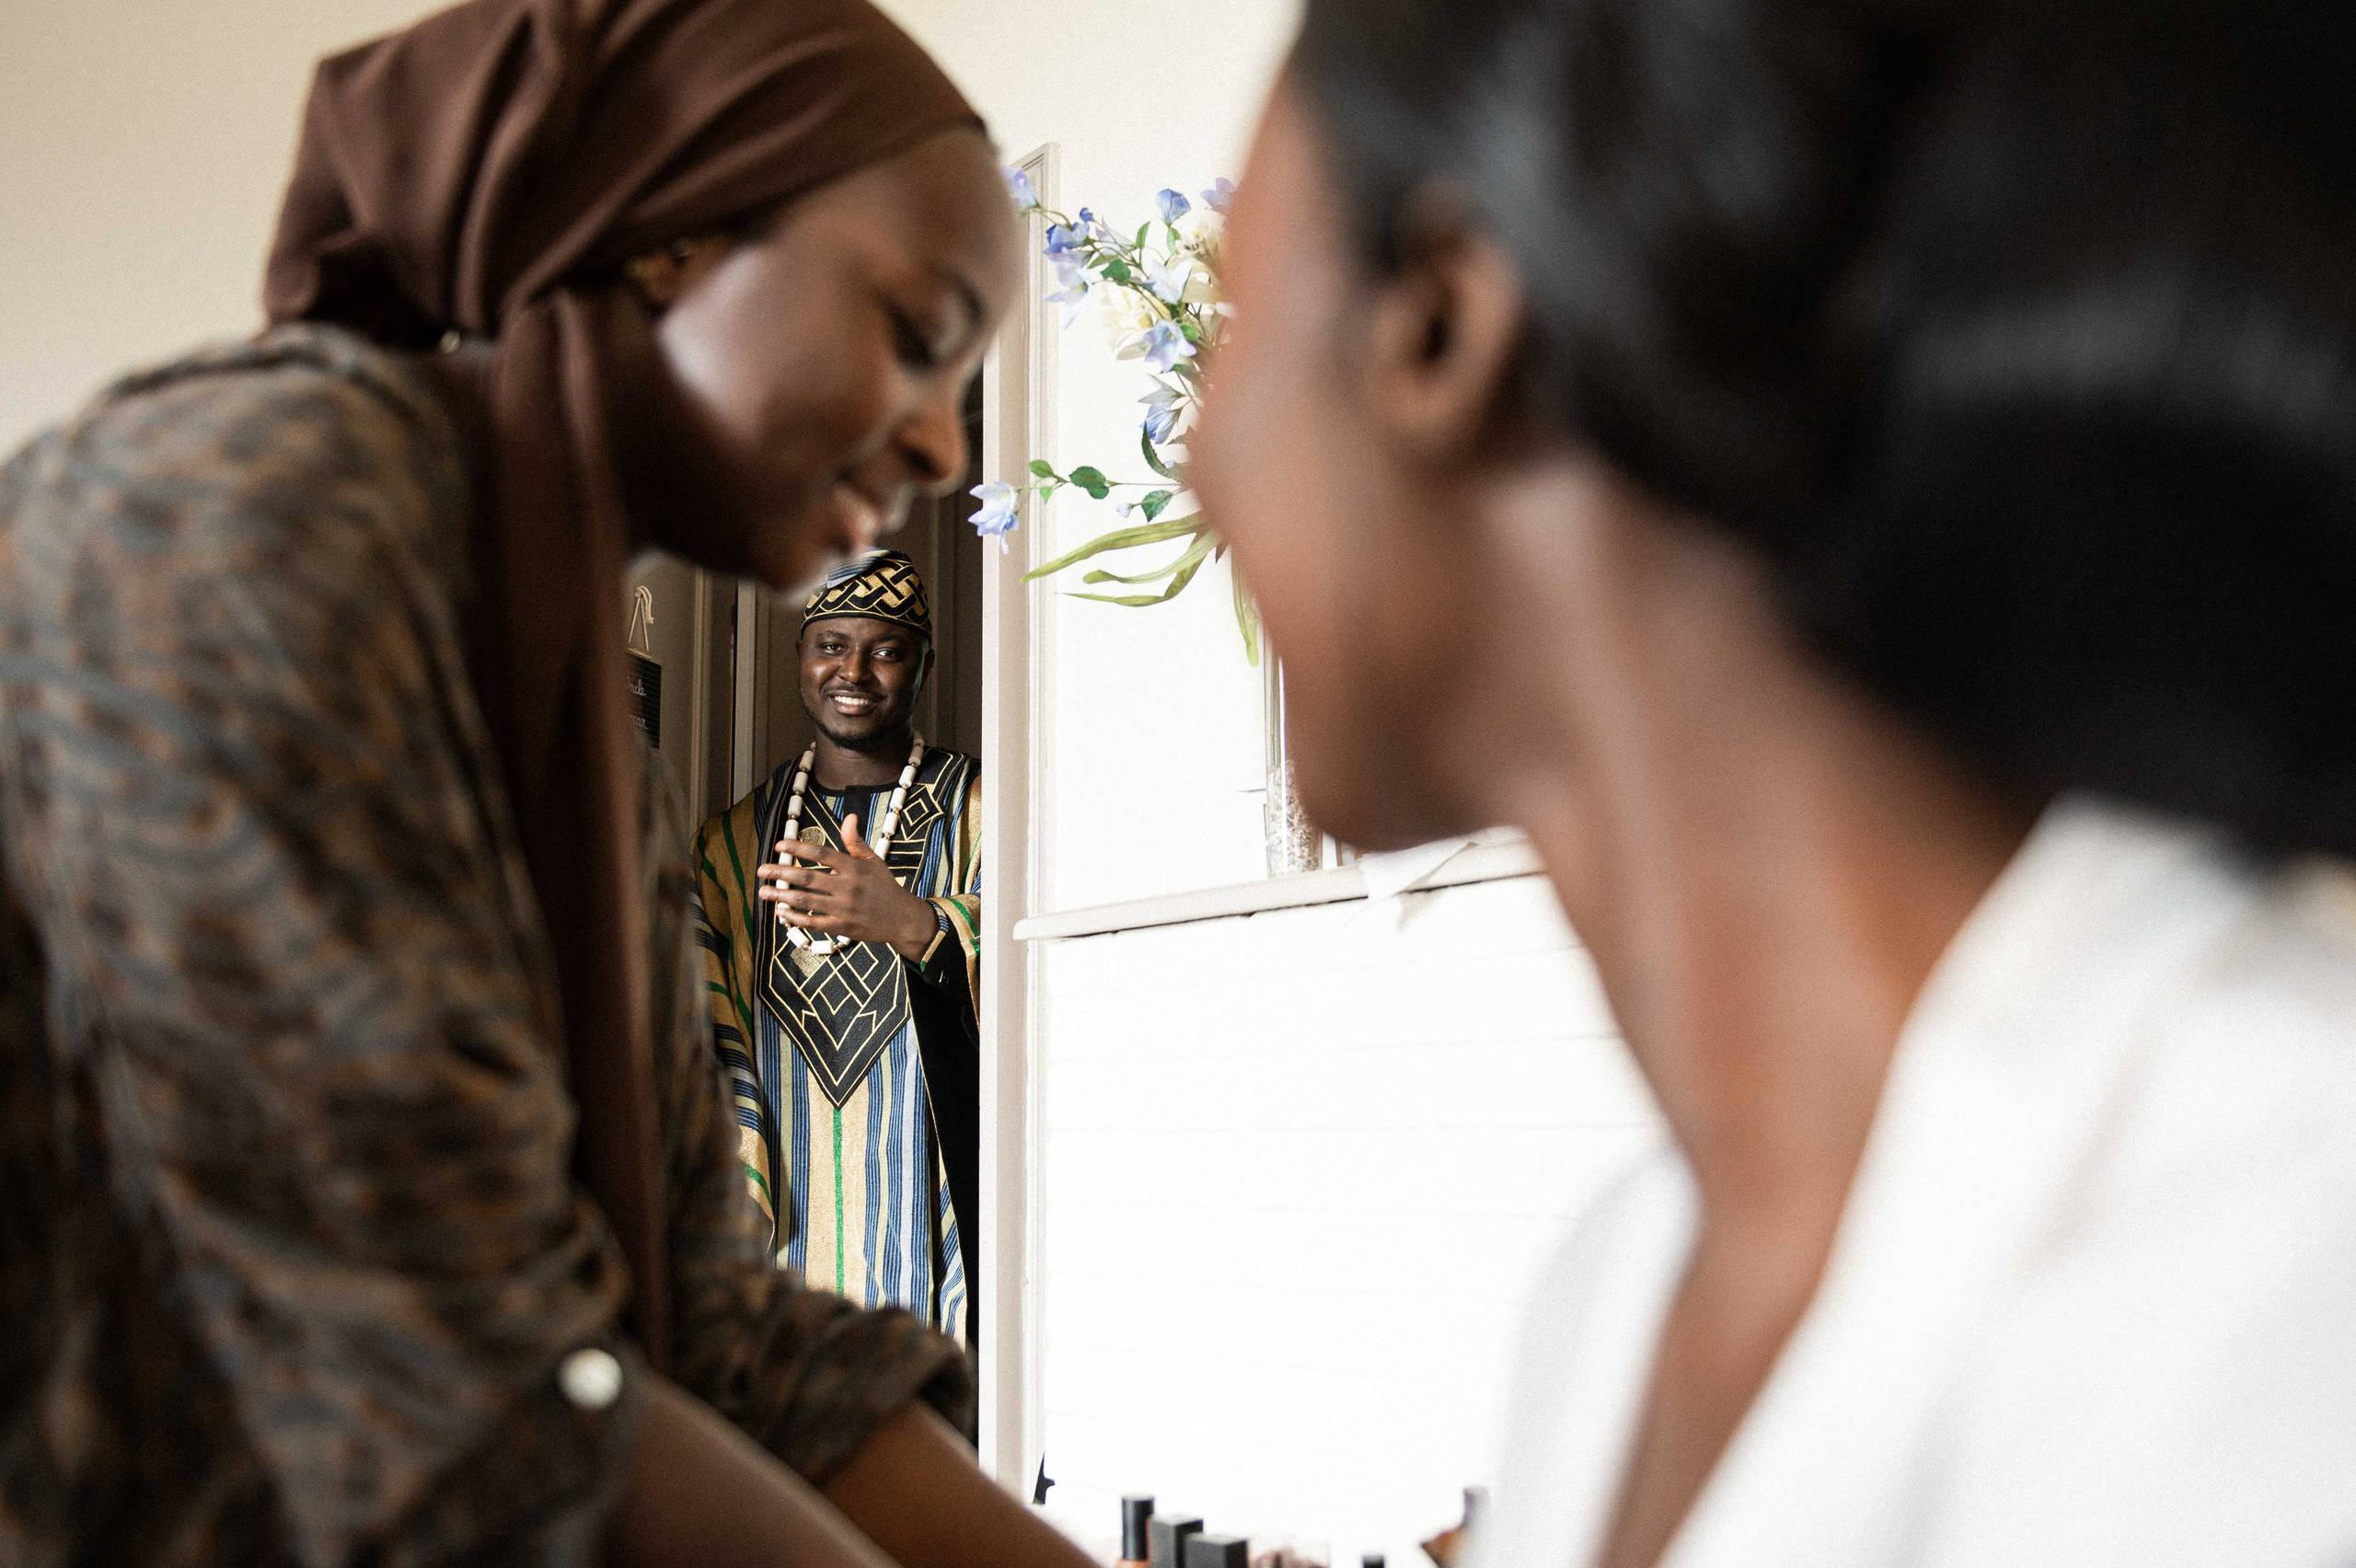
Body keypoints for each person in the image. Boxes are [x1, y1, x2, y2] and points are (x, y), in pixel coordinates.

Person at [1193, 2, 2356, 1565]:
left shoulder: (2268, 1250)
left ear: (1444, 324)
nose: (1196, 458)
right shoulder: (1613, 1301)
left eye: (1224, 324)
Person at [0, 1, 1094, 1564]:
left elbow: (712, 1333)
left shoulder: (584, 736)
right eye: (920, 336)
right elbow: (466, 1381)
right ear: (673, 236)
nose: (941, 446)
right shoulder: (244, 520)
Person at [695, 548, 983, 1343]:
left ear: (923, 667)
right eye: (832, 645)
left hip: (939, 1222)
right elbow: (698, 1038)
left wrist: (918, 924)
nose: (853, 671)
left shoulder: (985, 813)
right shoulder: (729, 848)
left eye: (886, 650)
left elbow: (1053, 978)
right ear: (801, 654)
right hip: (783, 1224)